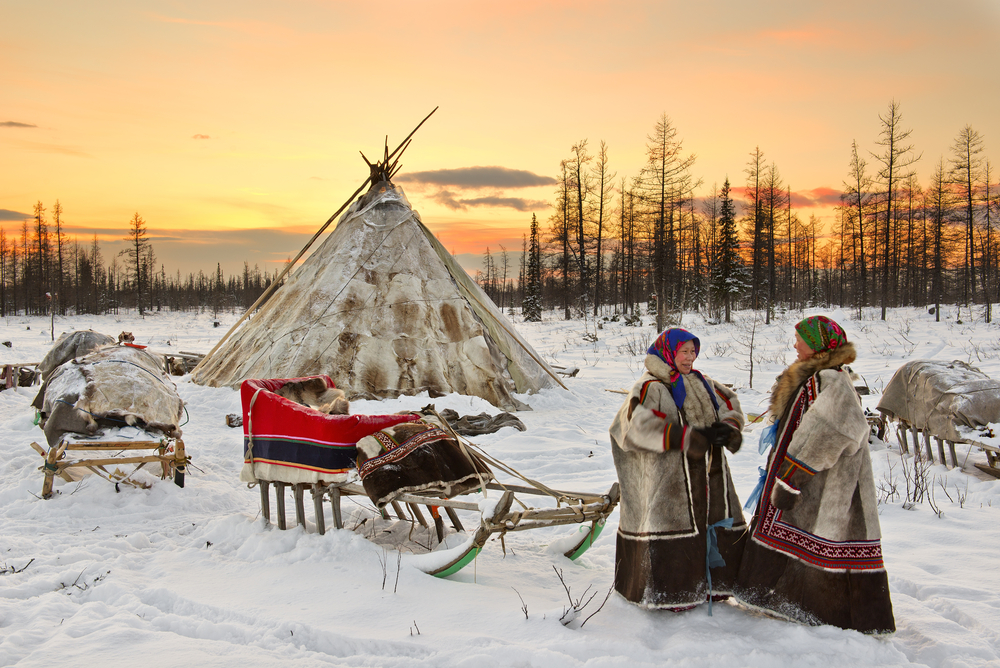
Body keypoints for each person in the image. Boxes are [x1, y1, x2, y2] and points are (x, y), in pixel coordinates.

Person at [734, 315, 895, 634]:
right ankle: (792, 602)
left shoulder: (830, 381)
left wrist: (792, 477)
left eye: (801, 340)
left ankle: (830, 612)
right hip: (816, 482)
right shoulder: (820, 376)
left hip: (825, 483)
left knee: (825, 535)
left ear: (818, 345)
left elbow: (828, 433)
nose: (795, 345)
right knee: (808, 536)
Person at [610, 328, 746, 611]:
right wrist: (681, 438)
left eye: (693, 351)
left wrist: (729, 428)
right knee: (674, 527)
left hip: (710, 475)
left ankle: (715, 586)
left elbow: (730, 403)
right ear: (669, 352)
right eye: (683, 351)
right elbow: (631, 428)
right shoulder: (651, 387)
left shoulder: (702, 382)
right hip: (669, 480)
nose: (690, 357)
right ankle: (672, 594)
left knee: (712, 520)